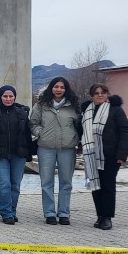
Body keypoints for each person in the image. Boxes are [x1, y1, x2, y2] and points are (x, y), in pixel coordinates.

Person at [30, 77, 81, 226]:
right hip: (46, 148)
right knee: (46, 181)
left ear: (66, 89)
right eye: (56, 86)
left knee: (66, 182)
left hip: (67, 149)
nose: (59, 89)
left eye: (62, 87)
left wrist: (76, 138)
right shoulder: (41, 104)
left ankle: (64, 213)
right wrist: (41, 133)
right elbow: (33, 123)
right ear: (51, 88)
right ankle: (49, 213)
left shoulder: (73, 105)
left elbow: (79, 125)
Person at [80, 84, 128, 230]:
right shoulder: (87, 111)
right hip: (92, 155)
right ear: (92, 96)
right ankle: (100, 215)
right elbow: (81, 131)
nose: (100, 95)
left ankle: (107, 217)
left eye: (103, 92)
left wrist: (122, 155)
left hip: (110, 156)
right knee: (96, 186)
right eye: (96, 93)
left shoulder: (115, 110)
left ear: (107, 94)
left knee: (108, 186)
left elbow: (125, 132)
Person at [0, 85, 31, 225]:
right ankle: (5, 212)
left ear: (15, 97)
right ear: (0, 97)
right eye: (5, 96)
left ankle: (12, 210)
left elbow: (27, 134)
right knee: (4, 183)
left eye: (11, 96)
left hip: (18, 154)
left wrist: (28, 153)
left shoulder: (22, 112)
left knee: (15, 184)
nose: (8, 99)